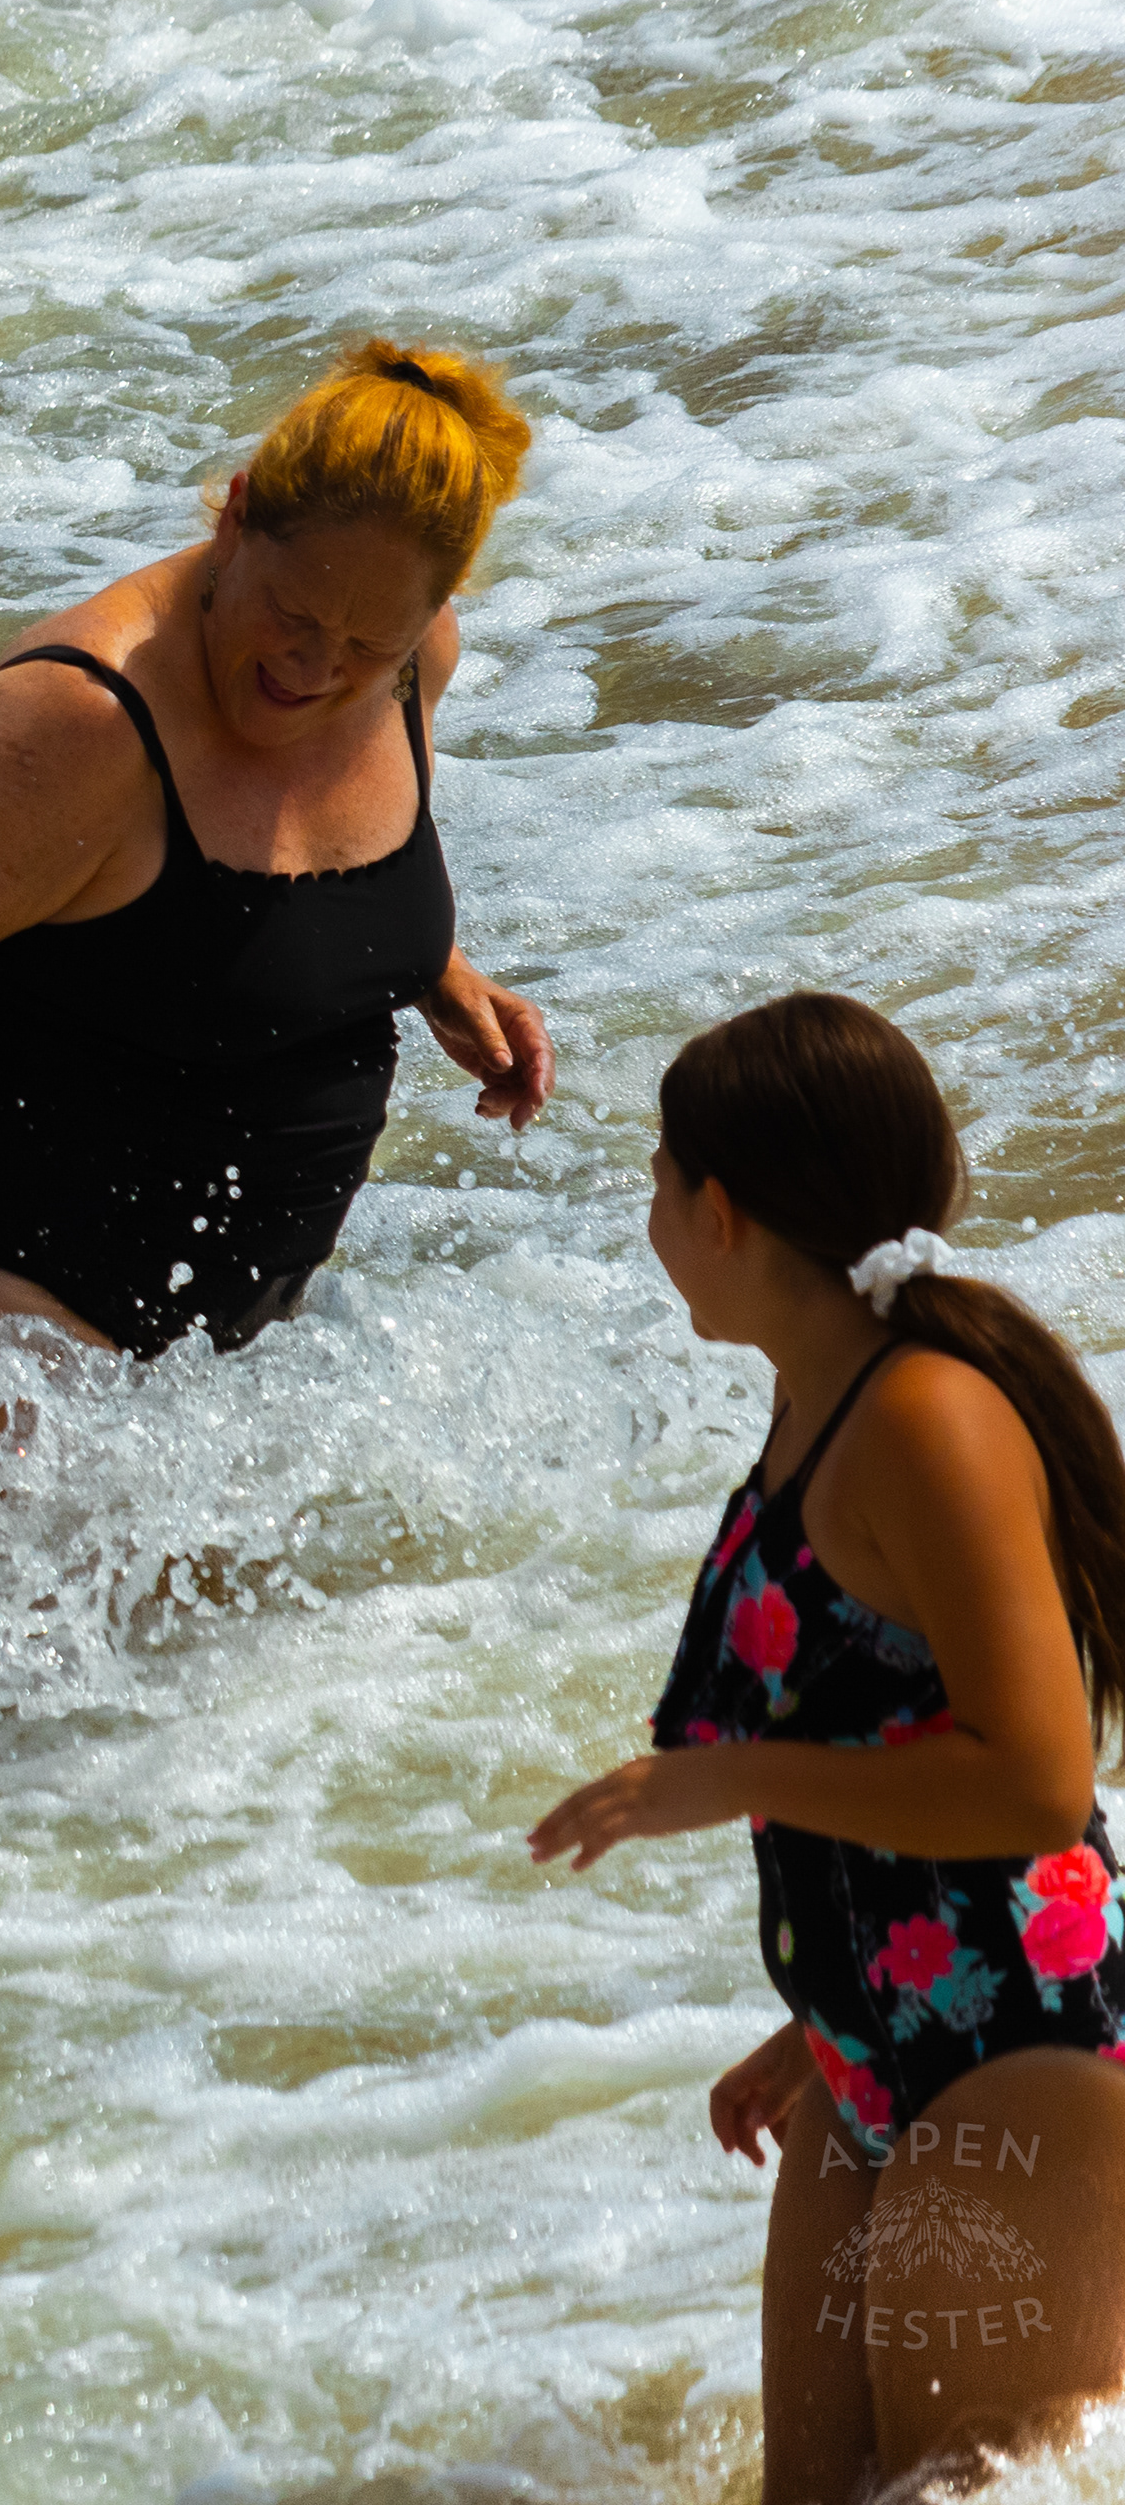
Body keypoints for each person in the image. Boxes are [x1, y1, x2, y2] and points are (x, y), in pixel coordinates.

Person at [529, 993, 1125, 2499]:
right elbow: (897, 1723)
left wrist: (725, 1780)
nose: (652, 1217)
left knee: (964, 2485)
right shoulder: (816, 1403)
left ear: (719, 1210)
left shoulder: (930, 1415)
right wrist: (820, 2020)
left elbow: (1040, 1779)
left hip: (1024, 2050)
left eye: (660, 1184)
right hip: (881, 2037)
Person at [0, 339, 555, 1365]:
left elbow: (258, 890)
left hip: (213, 1365)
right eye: (294, 615)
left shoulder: (417, 660)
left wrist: (427, 968)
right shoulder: (82, 723)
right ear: (237, 515)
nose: (314, 664)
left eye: (365, 646)